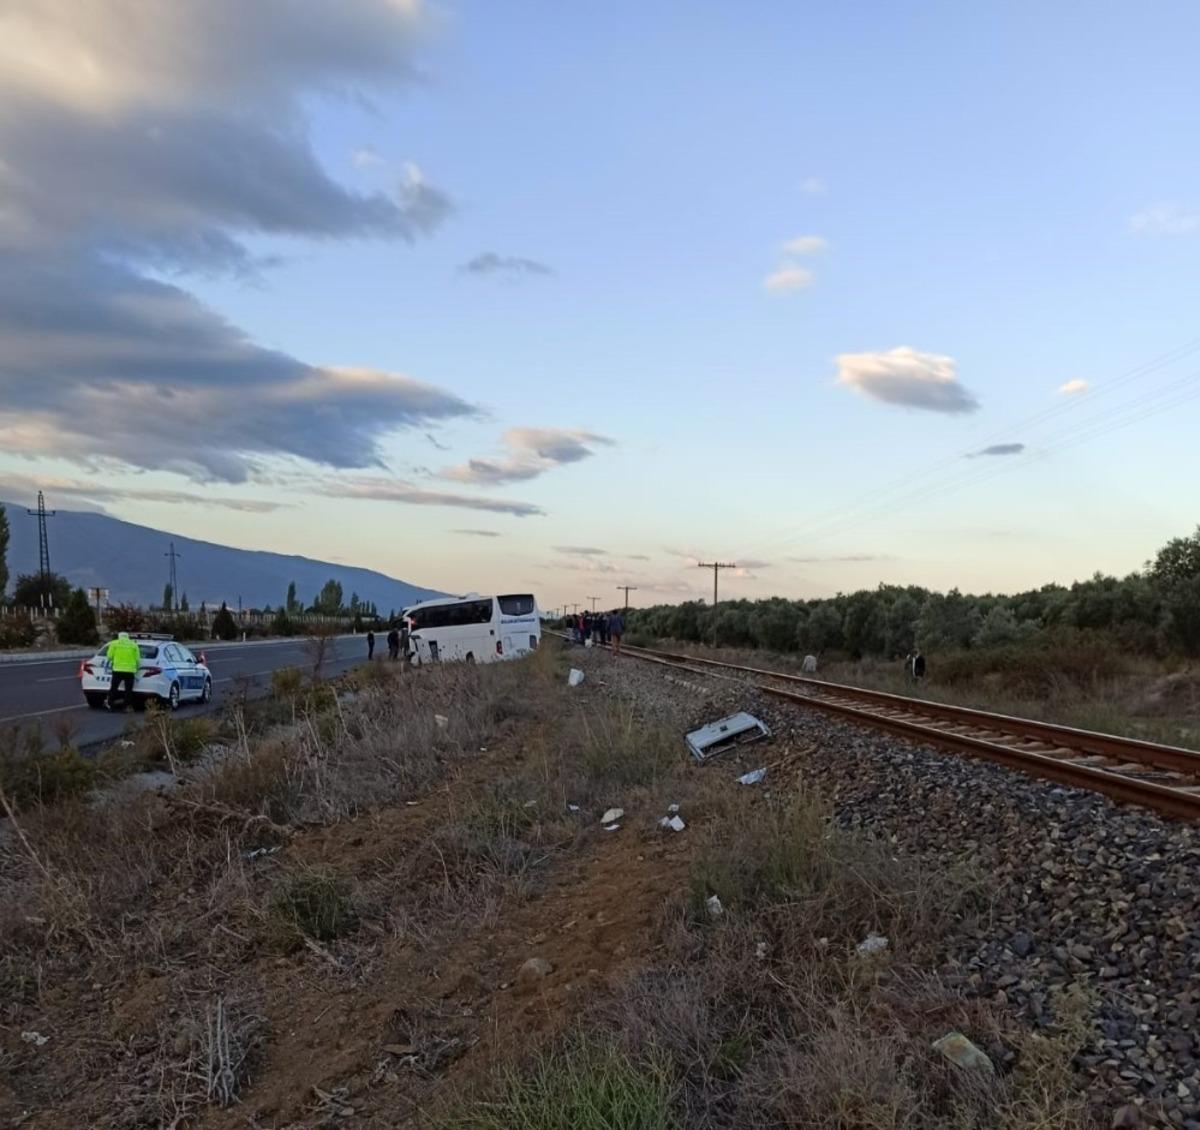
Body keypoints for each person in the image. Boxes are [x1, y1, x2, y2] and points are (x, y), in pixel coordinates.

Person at [105, 631, 141, 712]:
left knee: (113, 688)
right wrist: (137, 669)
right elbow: (138, 659)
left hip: (117, 670)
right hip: (129, 671)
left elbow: (109, 656)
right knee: (128, 690)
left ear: (119, 636)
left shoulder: (114, 644)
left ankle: (110, 705)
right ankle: (126, 707)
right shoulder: (133, 644)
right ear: (128, 637)